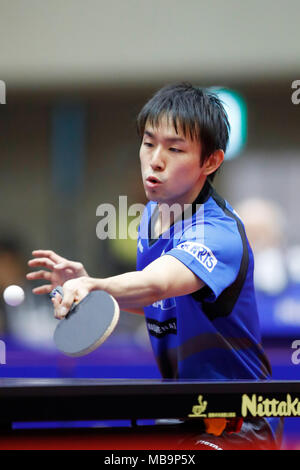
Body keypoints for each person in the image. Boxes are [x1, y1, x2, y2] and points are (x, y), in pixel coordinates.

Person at [27, 82, 282, 450]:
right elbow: (159, 301)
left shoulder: (217, 233)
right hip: (184, 415)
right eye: (149, 143)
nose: (155, 160)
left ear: (210, 162)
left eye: (175, 148)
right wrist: (89, 284)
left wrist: (97, 285)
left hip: (239, 426)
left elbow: (158, 284)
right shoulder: (151, 217)